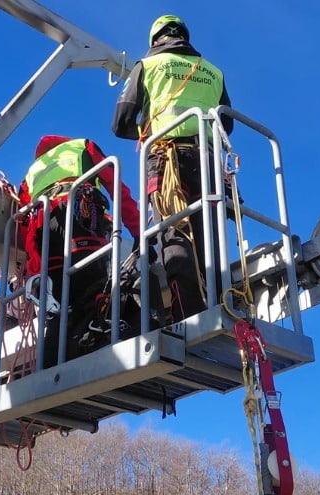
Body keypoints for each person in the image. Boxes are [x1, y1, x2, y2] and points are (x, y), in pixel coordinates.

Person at [112, 14, 232, 321]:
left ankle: (188, 318)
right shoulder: (213, 71)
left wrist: (147, 132)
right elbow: (227, 125)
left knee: (175, 236)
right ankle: (223, 306)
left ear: (155, 39)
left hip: (167, 161)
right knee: (211, 239)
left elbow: (120, 123)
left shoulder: (147, 65)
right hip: (207, 160)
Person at [17, 135, 141, 367]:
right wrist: (138, 231)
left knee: (58, 304)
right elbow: (116, 187)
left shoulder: (31, 174)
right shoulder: (82, 147)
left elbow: (23, 222)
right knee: (92, 284)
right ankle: (99, 347)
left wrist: (34, 269)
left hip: (44, 231)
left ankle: (49, 367)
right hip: (78, 216)